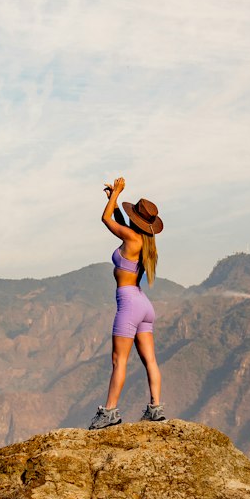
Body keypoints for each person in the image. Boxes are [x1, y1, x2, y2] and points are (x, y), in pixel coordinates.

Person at [89, 176, 166, 430]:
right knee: (150, 361)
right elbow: (121, 224)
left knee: (118, 360)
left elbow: (106, 219)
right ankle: (156, 409)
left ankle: (109, 412)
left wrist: (117, 193)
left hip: (128, 303)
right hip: (144, 304)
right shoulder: (144, 242)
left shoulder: (132, 240)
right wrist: (114, 198)